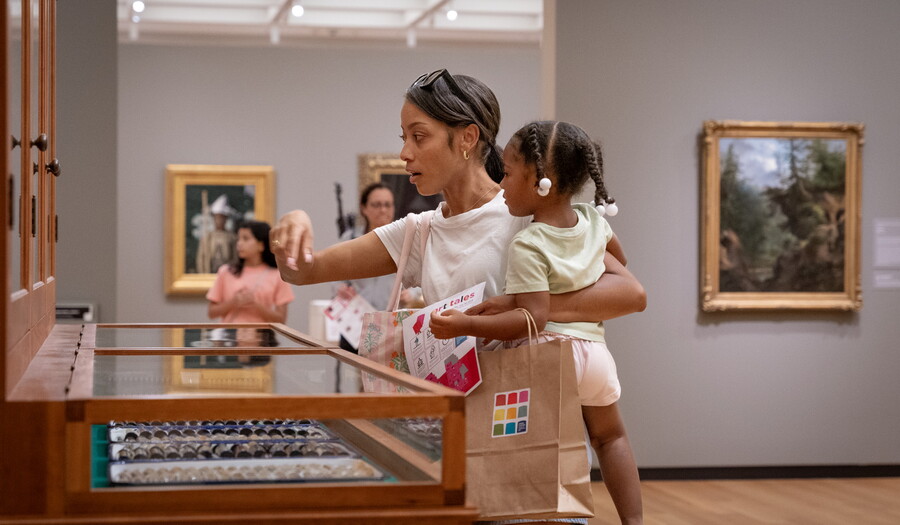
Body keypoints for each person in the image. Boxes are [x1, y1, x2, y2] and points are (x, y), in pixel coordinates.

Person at [270, 69, 646, 524]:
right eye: (403, 137)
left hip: (530, 449)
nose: (404, 152)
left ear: (467, 138)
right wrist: (294, 221)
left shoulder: (525, 212)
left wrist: (527, 313)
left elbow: (628, 290)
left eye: (419, 136)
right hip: (452, 455)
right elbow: (304, 270)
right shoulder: (417, 232)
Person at [429, 120, 642, 525]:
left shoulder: (528, 243)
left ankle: (536, 514)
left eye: (507, 173)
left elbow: (530, 319)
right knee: (610, 437)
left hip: (551, 357)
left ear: (540, 182)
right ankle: (633, 521)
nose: (502, 183)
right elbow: (619, 261)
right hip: (595, 356)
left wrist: (463, 326)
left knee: (536, 446)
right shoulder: (595, 222)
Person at [332, 182, 402, 352]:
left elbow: (419, 277)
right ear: (364, 208)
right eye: (376, 205)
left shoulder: (403, 241)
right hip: (356, 324)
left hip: (392, 325)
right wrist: (340, 288)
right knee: (351, 375)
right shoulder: (350, 240)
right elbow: (334, 275)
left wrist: (412, 293)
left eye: (387, 205)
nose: (383, 210)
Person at [207, 220, 295, 323]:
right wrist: (234, 302)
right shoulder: (225, 271)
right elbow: (211, 313)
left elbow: (281, 319)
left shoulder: (278, 275)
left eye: (245, 239)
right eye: (238, 239)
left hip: (262, 337)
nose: (239, 244)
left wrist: (255, 304)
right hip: (228, 337)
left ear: (261, 245)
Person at [196, 193, 237, 273]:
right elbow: (201, 258)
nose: (219, 220)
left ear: (226, 219)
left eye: (222, 217)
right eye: (217, 217)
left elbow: (235, 259)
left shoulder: (232, 237)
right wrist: (203, 274)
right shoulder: (208, 237)